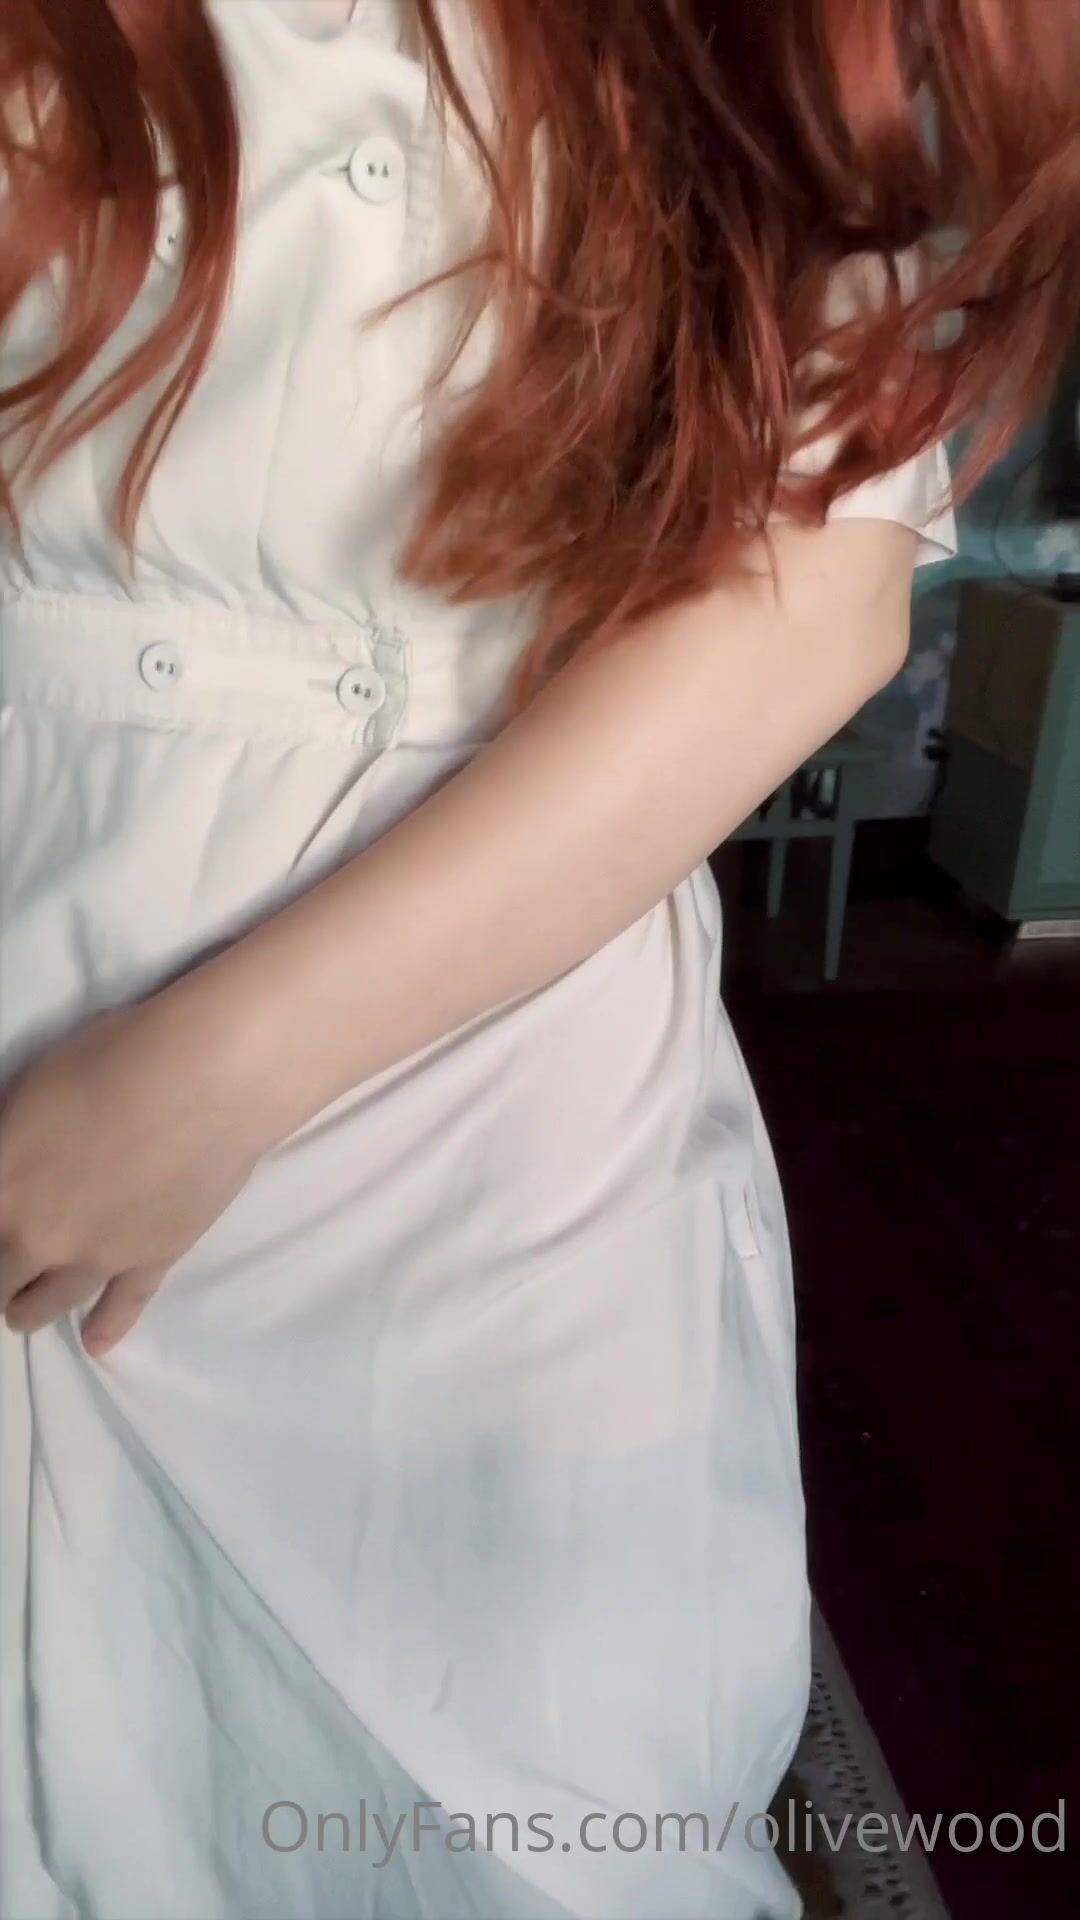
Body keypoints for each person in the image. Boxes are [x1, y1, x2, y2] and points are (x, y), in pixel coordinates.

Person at [0, 3, 1076, 1916]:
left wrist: (208, 1072)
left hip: (483, 1063)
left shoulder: (751, 44)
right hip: (36, 897)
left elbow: (805, 606)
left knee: (506, 1813)